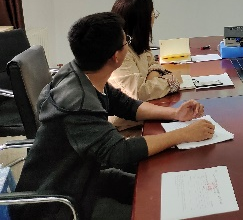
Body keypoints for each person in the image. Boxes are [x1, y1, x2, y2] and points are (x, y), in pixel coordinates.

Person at [14, 13, 215, 220]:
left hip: (84, 176)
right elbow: (120, 152)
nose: (129, 44)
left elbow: (125, 105)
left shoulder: (80, 72)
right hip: (59, 204)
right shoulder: (78, 103)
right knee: (155, 211)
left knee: (158, 187)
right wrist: (183, 134)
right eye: (126, 41)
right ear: (116, 57)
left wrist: (175, 113)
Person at [109, 0, 180, 130]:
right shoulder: (120, 52)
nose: (154, 18)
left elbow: (153, 64)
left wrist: (150, 79)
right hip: (127, 127)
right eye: (152, 14)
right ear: (141, 20)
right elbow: (139, 94)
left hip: (144, 115)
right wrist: (171, 82)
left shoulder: (137, 42)